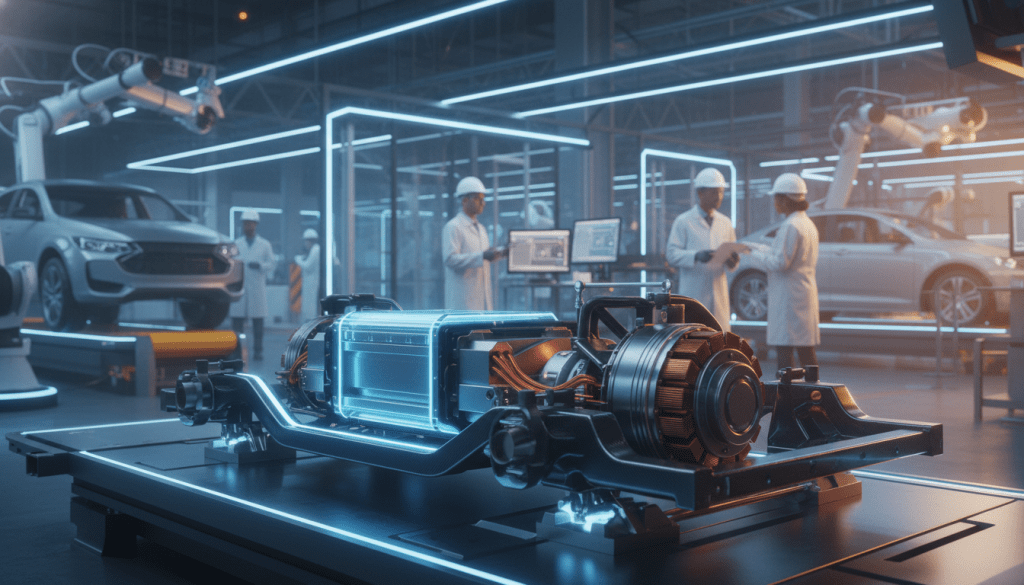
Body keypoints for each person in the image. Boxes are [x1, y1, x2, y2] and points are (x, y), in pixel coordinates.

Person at [748, 173, 820, 371]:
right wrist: (762, 249)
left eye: (776, 198)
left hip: (789, 298)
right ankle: (815, 390)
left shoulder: (790, 225)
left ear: (784, 199)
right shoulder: (807, 224)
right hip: (802, 292)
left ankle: (786, 395)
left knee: (785, 350)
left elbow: (779, 262)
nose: (774, 203)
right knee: (806, 351)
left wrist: (753, 255)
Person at [665, 167, 741, 332]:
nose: (719, 197)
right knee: (695, 341)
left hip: (719, 294)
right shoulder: (684, 221)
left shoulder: (725, 223)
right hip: (694, 293)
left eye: (721, 192)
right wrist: (696, 256)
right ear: (700, 193)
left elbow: (733, 257)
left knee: (719, 342)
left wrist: (733, 261)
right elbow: (671, 254)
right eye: (714, 192)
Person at [442, 176, 506, 310]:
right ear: (464, 200)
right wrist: (482, 256)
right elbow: (450, 259)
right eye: (478, 198)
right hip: (463, 302)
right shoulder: (453, 227)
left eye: (483, 199)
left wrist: (503, 252)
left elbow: (484, 255)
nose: (483, 203)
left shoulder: (481, 228)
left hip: (482, 300)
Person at [230, 210, 276, 361]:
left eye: (250, 223)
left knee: (258, 323)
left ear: (255, 225)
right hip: (240, 287)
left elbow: (271, 263)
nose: (247, 226)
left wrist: (261, 265)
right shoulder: (236, 243)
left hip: (257, 287)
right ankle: (235, 351)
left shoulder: (264, 244)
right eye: (245, 223)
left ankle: (258, 351)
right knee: (237, 323)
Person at [294, 228, 321, 321]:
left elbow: (308, 266)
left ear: (309, 241)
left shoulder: (315, 250)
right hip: (310, 283)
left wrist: (298, 260)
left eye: (305, 241)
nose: (305, 244)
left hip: (312, 283)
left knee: (310, 307)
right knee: (309, 306)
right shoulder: (314, 250)